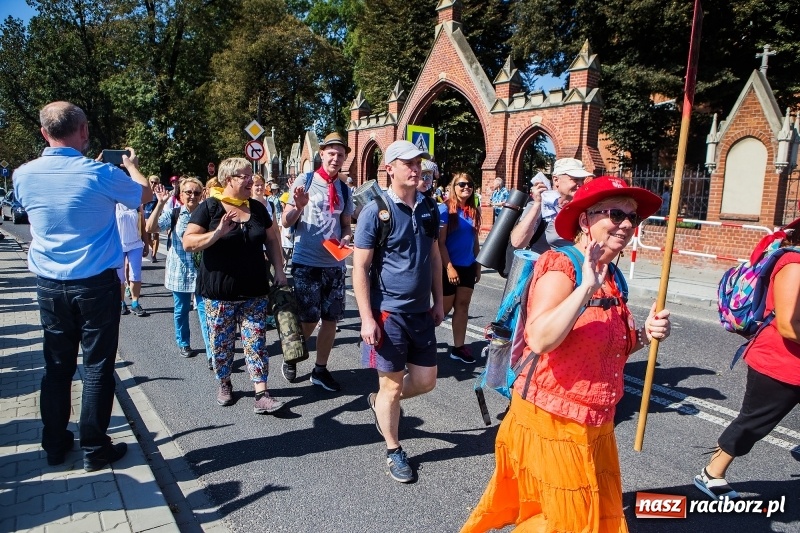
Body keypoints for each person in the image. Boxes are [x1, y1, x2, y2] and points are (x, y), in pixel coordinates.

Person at [462, 176, 671, 532]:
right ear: (585, 219)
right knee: (564, 523)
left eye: (633, 218)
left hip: (595, 421)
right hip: (552, 418)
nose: (626, 225)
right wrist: (585, 287)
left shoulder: (613, 276)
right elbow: (541, 338)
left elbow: (613, 346)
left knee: (586, 517)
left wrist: (644, 335)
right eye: (616, 214)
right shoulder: (562, 265)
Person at [14, 101, 150, 471]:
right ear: (84, 131)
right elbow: (145, 196)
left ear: (44, 133)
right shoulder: (99, 173)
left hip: (50, 285)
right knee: (96, 367)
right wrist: (131, 165)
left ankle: (55, 445)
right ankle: (94, 448)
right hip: (94, 284)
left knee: (56, 367)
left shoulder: (23, 175)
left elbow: (27, 211)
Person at [353, 139, 444, 483]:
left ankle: (379, 402)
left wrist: (438, 300)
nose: (416, 168)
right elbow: (360, 268)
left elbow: (434, 256)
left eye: (418, 162)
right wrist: (366, 317)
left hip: (421, 313)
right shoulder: (374, 211)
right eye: (408, 163)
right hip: (388, 313)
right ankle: (394, 449)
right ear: (389, 168)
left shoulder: (428, 208)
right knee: (391, 386)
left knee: (426, 381)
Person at [694, 219, 800, 502]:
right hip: (780, 361)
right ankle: (712, 473)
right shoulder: (794, 264)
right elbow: (789, 326)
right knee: (754, 421)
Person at [183, 158, 287, 413]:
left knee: (256, 342)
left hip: (254, 291)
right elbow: (189, 242)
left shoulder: (257, 208)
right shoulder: (210, 207)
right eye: (245, 176)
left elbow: (272, 240)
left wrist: (280, 271)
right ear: (228, 179)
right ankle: (225, 382)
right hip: (219, 294)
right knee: (222, 343)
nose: (251, 179)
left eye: (251, 174)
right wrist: (217, 233)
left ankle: (261, 393)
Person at [280, 132, 354, 390]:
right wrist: (298, 206)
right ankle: (292, 357)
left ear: (345, 158)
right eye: (331, 153)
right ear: (321, 154)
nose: (336, 158)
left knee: (331, 320)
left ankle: (320, 370)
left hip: (334, 263)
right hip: (307, 261)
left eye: (340, 154)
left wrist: (346, 237)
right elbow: (285, 221)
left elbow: (345, 225)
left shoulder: (345, 188)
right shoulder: (306, 179)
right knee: (309, 319)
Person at [145, 178, 213, 363]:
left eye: (196, 192)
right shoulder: (174, 214)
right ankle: (183, 343)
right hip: (180, 271)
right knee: (181, 310)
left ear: (202, 194)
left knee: (205, 313)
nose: (192, 196)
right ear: (181, 195)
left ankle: (211, 354)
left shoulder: (207, 213)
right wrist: (160, 203)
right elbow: (150, 227)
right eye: (188, 192)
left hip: (201, 272)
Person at [439, 173, 481, 364]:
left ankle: (458, 347)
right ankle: (419, 343)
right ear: (453, 187)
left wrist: (477, 265)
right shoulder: (445, 209)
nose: (466, 187)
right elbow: (440, 243)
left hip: (468, 266)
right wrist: (449, 268)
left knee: (463, 306)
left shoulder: (474, 210)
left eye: (470, 184)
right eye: (462, 184)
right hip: (449, 266)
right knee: (443, 309)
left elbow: (475, 241)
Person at [510, 157, 594, 253]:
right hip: (542, 266)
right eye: (575, 179)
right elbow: (518, 243)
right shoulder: (541, 206)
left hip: (575, 265)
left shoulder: (584, 208)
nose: (580, 184)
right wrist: (537, 204)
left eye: (582, 179)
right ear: (556, 180)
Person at [116, 202, 150, 317]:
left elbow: (143, 226)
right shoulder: (113, 203)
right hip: (118, 245)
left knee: (135, 275)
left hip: (135, 244)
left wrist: (146, 245)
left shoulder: (136, 203)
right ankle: (121, 303)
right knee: (120, 277)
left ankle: (135, 303)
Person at [143, 175, 161, 262]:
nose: (153, 184)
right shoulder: (145, 192)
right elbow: (142, 205)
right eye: (152, 182)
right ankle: (153, 247)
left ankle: (154, 254)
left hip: (156, 215)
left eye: (155, 182)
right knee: (148, 237)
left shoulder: (158, 193)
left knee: (156, 235)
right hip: (146, 216)